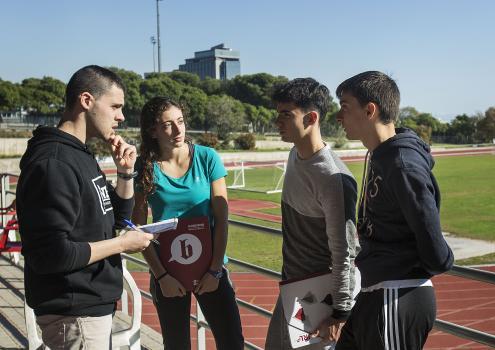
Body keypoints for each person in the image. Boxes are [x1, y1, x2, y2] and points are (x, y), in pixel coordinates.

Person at [16, 65, 154, 349]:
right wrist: (121, 244)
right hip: (74, 312)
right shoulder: (55, 161)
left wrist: (125, 174)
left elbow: (115, 218)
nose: (121, 116)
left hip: (88, 307)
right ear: (87, 100)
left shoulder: (78, 153)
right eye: (115, 106)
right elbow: (53, 254)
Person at [334, 71, 454, 350]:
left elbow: (431, 239)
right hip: (373, 292)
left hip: (397, 295)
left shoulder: (402, 164)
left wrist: (439, 261)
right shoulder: (380, 155)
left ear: (370, 110)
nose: (339, 117)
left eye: (344, 108)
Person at [132, 96, 243, 350]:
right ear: (153, 130)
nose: (178, 130)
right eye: (168, 124)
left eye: (180, 121)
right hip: (168, 274)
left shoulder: (207, 158)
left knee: (232, 342)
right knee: (177, 345)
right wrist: (161, 276)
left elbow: (222, 219)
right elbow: (139, 231)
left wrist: (215, 270)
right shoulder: (146, 166)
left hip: (212, 271)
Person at [265, 78, 360, 350]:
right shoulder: (294, 155)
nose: (277, 121)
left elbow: (345, 251)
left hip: (320, 301)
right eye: (278, 113)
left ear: (311, 118)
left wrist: (340, 313)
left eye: (286, 114)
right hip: (292, 290)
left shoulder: (334, 178)